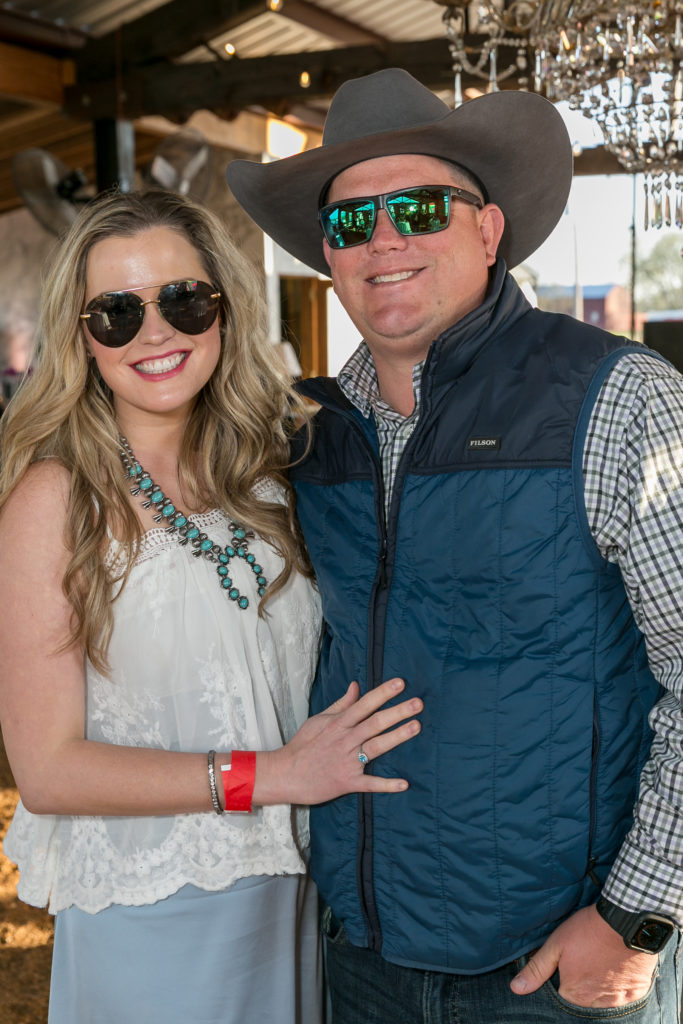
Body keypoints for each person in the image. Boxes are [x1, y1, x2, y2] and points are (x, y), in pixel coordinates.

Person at [226, 68, 683, 1023]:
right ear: (327, 256)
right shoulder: (307, 435)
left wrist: (636, 916)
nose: (384, 238)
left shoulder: (618, 397)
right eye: (352, 222)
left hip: (557, 971)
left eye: (420, 207)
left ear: (487, 229)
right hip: (363, 962)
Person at [0, 188, 423, 1024]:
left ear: (224, 311)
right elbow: (47, 770)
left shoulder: (275, 469)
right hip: (150, 909)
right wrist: (276, 774)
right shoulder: (55, 500)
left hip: (296, 895)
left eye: (182, 300)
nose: (155, 333)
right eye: (116, 312)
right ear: (82, 339)